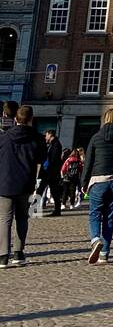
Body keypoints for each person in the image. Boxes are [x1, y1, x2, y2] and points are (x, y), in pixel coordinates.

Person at [81, 108, 113, 264]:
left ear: (105, 119)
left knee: (95, 212)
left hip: (98, 179)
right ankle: (104, 254)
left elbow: (88, 161)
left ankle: (95, 239)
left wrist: (83, 182)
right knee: (109, 217)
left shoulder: (96, 137)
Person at [0, 105, 44, 268]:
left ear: (15, 119)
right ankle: (18, 253)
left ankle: (3, 256)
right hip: (25, 182)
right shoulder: (38, 138)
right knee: (22, 218)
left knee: (4, 219)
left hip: (5, 182)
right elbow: (41, 159)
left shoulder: (4, 137)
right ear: (31, 119)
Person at [37, 128, 63, 216]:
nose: (45, 137)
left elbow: (53, 159)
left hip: (50, 172)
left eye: (46, 135)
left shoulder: (55, 145)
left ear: (50, 135)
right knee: (52, 192)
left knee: (41, 190)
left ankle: (33, 208)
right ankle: (57, 210)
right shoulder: (52, 144)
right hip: (50, 172)